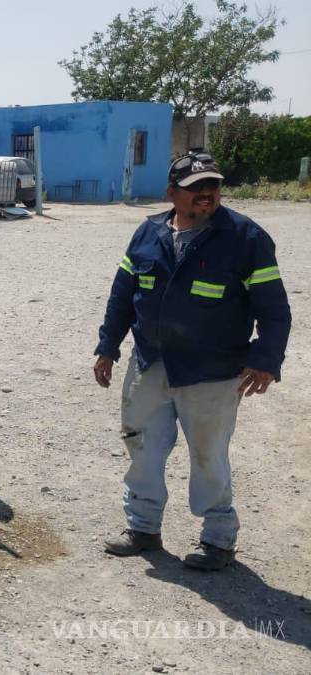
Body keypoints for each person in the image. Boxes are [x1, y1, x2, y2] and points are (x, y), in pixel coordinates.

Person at [94, 151, 291, 571]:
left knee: (208, 455)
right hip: (151, 364)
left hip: (212, 372)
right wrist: (107, 346)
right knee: (142, 447)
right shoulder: (148, 233)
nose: (206, 193)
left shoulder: (245, 238)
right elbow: (122, 294)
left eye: (213, 185)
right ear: (172, 193)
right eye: (196, 187)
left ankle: (218, 540)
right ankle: (143, 527)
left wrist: (266, 359)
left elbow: (274, 308)